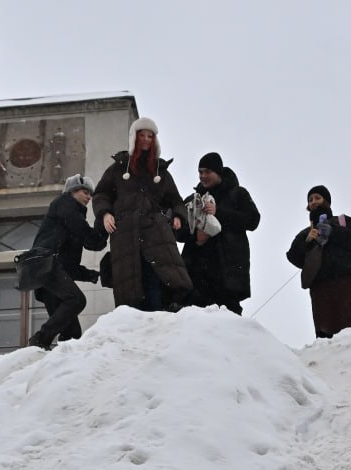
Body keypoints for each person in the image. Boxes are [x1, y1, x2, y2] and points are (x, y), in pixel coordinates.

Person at [92, 117, 192, 312]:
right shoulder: (118, 168)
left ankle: (159, 316)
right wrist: (105, 214)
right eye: (142, 135)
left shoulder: (160, 172)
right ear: (134, 138)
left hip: (155, 232)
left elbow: (175, 200)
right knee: (130, 283)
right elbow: (101, 194)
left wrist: (178, 216)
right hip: (125, 233)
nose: (146, 139)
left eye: (150, 136)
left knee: (156, 276)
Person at [20, 174, 108, 351]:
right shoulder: (65, 205)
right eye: (85, 192)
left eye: (90, 194)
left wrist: (90, 274)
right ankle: (40, 339)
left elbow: (69, 265)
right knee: (76, 300)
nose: (89, 197)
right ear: (73, 191)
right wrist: (103, 219)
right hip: (47, 267)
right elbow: (91, 240)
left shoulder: (70, 221)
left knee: (72, 334)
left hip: (48, 276)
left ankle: (54, 362)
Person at [179, 152, 261, 314]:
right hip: (197, 273)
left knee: (229, 322)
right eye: (200, 172)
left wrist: (219, 213)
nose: (203, 176)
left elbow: (253, 220)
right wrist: (195, 237)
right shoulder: (193, 199)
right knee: (194, 322)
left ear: (218, 172)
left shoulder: (238, 194)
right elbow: (178, 230)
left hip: (227, 272)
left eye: (208, 171)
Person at [285, 185, 351, 338]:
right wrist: (308, 241)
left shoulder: (343, 221)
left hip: (343, 278)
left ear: (327, 201)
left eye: (317, 198)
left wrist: (333, 232)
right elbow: (293, 257)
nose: (313, 202)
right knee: (323, 328)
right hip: (318, 283)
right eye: (310, 200)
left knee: (346, 325)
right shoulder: (305, 233)